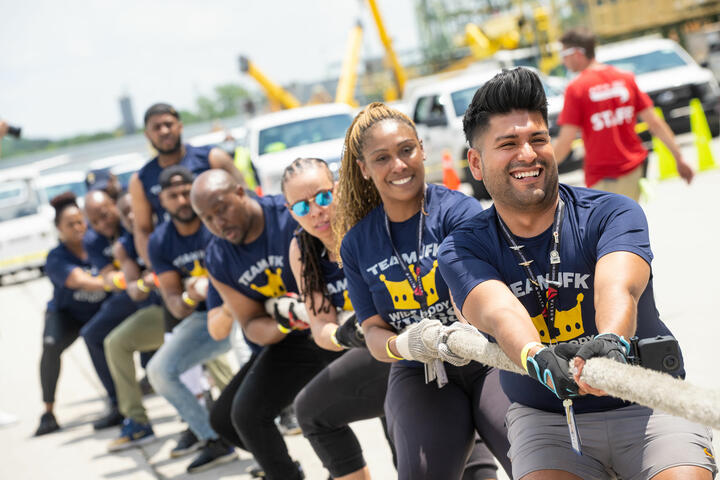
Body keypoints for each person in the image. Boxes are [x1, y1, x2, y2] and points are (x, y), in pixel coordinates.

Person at [438, 67, 717, 479]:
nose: (528, 154)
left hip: (648, 404)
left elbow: (617, 287)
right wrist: (536, 357)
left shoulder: (612, 212)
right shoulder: (461, 247)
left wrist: (611, 341)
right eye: (508, 144)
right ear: (476, 164)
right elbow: (499, 313)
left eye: (538, 139)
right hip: (547, 421)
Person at [334, 102, 512, 480]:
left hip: (486, 357)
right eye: (382, 158)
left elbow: (473, 289)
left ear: (421, 149)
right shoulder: (357, 244)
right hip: (420, 371)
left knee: (536, 457)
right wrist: (404, 344)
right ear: (364, 169)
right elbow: (373, 331)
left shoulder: (458, 212)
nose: (398, 165)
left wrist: (465, 328)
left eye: (406, 150)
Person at [191, 169, 341, 480]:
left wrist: (316, 312)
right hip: (292, 338)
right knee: (232, 418)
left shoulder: (288, 217)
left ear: (241, 193)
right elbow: (250, 324)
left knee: (322, 409)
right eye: (207, 218)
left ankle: (345, 471)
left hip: (337, 323)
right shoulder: (219, 256)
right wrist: (286, 321)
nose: (218, 222)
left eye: (222, 209)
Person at [281, 157, 395, 480]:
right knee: (311, 411)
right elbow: (320, 325)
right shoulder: (302, 250)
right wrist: (343, 335)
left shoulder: (369, 224)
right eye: (302, 206)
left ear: (337, 189)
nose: (316, 211)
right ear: (291, 212)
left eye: (322, 197)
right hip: (368, 347)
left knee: (412, 455)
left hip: (406, 340)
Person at [145, 166, 236, 473]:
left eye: (186, 192)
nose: (182, 201)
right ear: (162, 200)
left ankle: (283, 415)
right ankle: (213, 439)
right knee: (159, 371)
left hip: (245, 307)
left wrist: (213, 284)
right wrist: (190, 295)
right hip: (205, 319)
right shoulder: (160, 241)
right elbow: (174, 303)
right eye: (173, 196)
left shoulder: (218, 221)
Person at [553, 27, 693, 201]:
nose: (563, 60)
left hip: (603, 176)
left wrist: (544, 169)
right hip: (634, 169)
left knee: (607, 219)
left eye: (564, 54)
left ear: (577, 53)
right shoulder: (625, 78)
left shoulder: (577, 88)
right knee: (629, 216)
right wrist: (679, 157)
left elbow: (566, 141)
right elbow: (655, 123)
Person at [129, 102, 246, 267]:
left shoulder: (212, 158)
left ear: (180, 126)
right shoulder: (140, 180)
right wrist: (159, 270)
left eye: (168, 124)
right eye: (157, 127)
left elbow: (246, 199)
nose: (164, 131)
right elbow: (142, 230)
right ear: (147, 135)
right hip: (180, 263)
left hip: (225, 251)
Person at [35, 192, 109, 436]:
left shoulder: (99, 245)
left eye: (80, 221)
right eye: (70, 224)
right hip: (67, 315)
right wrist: (113, 281)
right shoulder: (56, 257)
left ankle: (118, 399)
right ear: (59, 229)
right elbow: (79, 281)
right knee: (51, 346)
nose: (78, 227)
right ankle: (48, 411)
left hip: (98, 312)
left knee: (102, 337)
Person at [81, 190, 150, 429]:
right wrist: (127, 279)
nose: (102, 224)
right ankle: (117, 403)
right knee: (92, 334)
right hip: (129, 295)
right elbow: (108, 277)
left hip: (159, 290)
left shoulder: (132, 220)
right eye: (95, 221)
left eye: (105, 215)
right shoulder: (93, 240)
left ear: (114, 205)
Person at [104, 192, 164, 451]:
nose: (131, 215)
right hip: (163, 311)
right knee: (115, 343)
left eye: (134, 208)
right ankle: (138, 422)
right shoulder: (124, 246)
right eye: (124, 212)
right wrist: (145, 282)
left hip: (199, 309)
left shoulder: (167, 229)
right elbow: (134, 291)